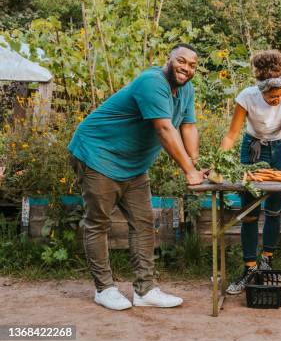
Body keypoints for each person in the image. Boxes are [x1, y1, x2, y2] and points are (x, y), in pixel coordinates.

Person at [68, 44, 206, 310]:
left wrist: (196, 165)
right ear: (168, 59)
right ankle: (104, 289)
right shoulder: (152, 82)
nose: (187, 68)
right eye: (182, 61)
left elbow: (188, 126)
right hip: (97, 154)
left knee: (143, 223)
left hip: (133, 165)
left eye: (192, 65)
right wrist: (187, 171)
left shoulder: (186, 89)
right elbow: (165, 129)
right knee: (98, 223)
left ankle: (145, 291)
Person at [221, 50, 281, 295]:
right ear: (261, 91)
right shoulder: (247, 97)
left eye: (280, 96)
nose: (277, 100)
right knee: (250, 212)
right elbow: (232, 134)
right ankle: (249, 267)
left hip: (279, 150)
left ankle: (267, 260)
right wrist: (218, 163)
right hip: (253, 150)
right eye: (272, 97)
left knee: (274, 210)